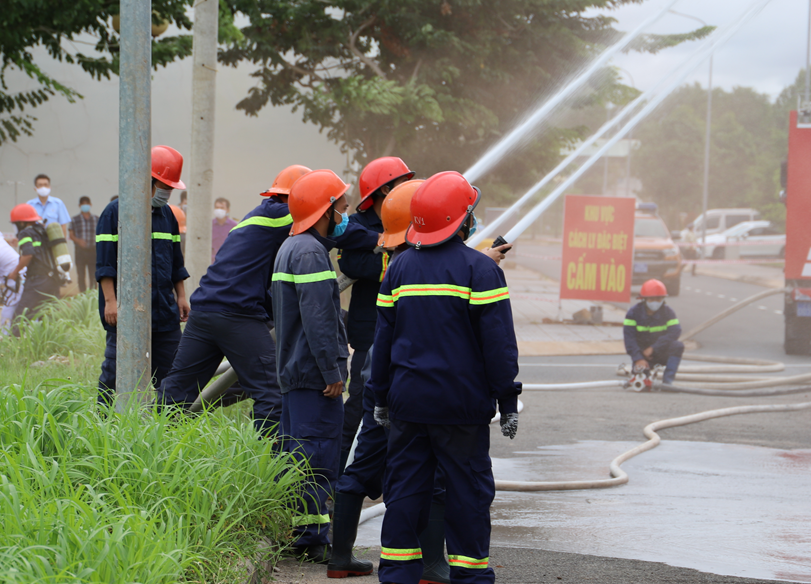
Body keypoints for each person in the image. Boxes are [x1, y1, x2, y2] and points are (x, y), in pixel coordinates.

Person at [371, 171, 521, 584]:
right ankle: (469, 578)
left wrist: (379, 398)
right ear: (464, 220)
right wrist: (507, 401)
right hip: (461, 409)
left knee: (403, 495)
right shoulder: (481, 271)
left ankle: (398, 576)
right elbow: (499, 347)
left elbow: (382, 343)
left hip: (406, 406)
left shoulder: (398, 268)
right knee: (467, 496)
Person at [157, 165, 380, 435]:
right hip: (236, 314)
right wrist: (381, 239)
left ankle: (147, 444)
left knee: (175, 393)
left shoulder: (258, 217)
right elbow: (336, 230)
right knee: (271, 394)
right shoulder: (283, 215)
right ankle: (270, 465)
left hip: (205, 309)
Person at [271, 169, 354, 564]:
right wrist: (333, 372)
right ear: (325, 211)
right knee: (317, 457)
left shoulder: (293, 246)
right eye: (341, 206)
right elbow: (320, 319)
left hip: (297, 372)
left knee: (299, 454)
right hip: (313, 375)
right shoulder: (309, 253)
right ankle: (312, 539)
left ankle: (305, 533)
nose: (346, 213)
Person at [95, 145, 191, 406]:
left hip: (163, 310)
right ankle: (104, 422)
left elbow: (175, 261)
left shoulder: (168, 216)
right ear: (145, 179)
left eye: (171, 187)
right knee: (116, 372)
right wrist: (111, 302)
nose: (168, 192)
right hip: (127, 311)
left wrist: (181, 296)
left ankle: (168, 428)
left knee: (173, 374)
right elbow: (104, 264)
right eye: (164, 185)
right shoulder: (114, 213)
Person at [337, 157, 415, 471]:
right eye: (401, 181)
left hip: (408, 328)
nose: (408, 187)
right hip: (370, 330)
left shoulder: (413, 218)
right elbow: (350, 264)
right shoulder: (359, 224)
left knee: (404, 404)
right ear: (384, 188)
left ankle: (388, 473)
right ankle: (336, 482)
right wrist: (394, 262)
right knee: (358, 405)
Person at [5, 204, 61, 330]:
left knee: (21, 317)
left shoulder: (25, 233)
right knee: (47, 317)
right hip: (53, 279)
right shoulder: (41, 230)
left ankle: (15, 346)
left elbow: (28, 255)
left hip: (38, 280)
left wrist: (14, 273)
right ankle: (49, 345)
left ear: (21, 223)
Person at [623, 279, 683, 386]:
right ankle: (643, 374)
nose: (655, 302)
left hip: (661, 351)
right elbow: (629, 339)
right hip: (642, 354)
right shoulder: (633, 313)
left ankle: (668, 382)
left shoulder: (668, 312)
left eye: (658, 298)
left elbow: (675, 331)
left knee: (678, 346)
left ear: (663, 298)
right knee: (642, 383)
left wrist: (654, 348)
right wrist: (638, 359)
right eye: (651, 299)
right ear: (644, 299)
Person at [68, 196, 99, 293]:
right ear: (79, 206)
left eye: (87, 204)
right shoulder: (74, 219)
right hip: (80, 251)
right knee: (81, 275)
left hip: (93, 250)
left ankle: (92, 295)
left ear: (90, 205)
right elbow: (71, 235)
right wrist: (78, 241)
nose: (85, 206)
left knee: (93, 274)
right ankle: (83, 295)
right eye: (83, 204)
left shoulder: (96, 219)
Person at [0, 235, 24, 332]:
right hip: (16, 276)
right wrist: (8, 241)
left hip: (15, 279)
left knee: (10, 312)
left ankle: (8, 341)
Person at [212, 197, 238, 262]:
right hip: (211, 261)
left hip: (228, 261)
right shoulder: (209, 225)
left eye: (222, 208)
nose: (219, 210)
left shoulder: (234, 226)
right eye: (217, 207)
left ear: (228, 210)